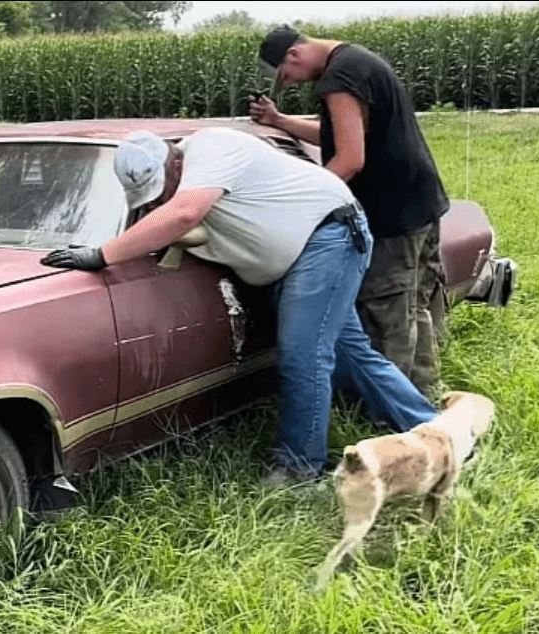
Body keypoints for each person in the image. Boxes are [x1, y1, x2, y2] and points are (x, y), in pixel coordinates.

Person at [39, 127, 439, 484]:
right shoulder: (182, 179)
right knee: (351, 354)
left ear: (174, 163)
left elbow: (183, 215)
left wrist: (103, 254)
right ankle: (434, 430)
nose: (159, 200)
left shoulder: (213, 148)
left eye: (161, 189)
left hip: (327, 237)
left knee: (304, 356)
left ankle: (299, 470)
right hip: (298, 255)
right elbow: (164, 221)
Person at [250, 24, 450, 400]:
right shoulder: (357, 60)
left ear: (293, 55)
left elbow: (350, 158)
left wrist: (305, 203)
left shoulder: (338, 79)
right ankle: (425, 396)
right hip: (420, 202)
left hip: (390, 215)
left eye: (285, 76)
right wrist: (278, 121)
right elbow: (339, 134)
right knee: (414, 305)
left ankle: (390, 419)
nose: (289, 83)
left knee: (385, 315)